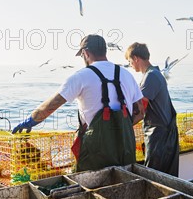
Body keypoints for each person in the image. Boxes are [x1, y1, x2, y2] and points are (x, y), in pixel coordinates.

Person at [13, 34, 145, 171]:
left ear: (85, 53)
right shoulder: (127, 75)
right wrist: (120, 129)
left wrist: (30, 121)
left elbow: (49, 107)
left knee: (93, 186)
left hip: (97, 152)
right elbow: (141, 113)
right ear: (104, 51)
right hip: (126, 147)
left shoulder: (80, 76)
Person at [125, 42, 179, 176]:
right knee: (166, 178)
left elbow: (140, 110)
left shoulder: (151, 76)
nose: (130, 65)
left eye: (130, 61)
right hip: (164, 135)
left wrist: (123, 127)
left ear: (136, 58)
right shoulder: (154, 74)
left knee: (154, 178)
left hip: (160, 138)